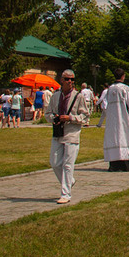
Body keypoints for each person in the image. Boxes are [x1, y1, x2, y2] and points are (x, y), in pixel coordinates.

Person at [46, 70, 90, 204]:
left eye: (72, 80)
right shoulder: (55, 96)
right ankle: (69, 181)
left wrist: (70, 118)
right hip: (58, 132)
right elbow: (48, 113)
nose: (69, 82)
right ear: (61, 80)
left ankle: (65, 194)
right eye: (67, 79)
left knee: (68, 165)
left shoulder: (79, 97)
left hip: (72, 132)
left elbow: (85, 116)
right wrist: (54, 118)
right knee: (54, 162)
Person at [103, 68, 129, 172]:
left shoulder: (110, 89)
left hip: (113, 118)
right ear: (123, 76)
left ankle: (115, 163)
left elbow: (106, 101)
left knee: (116, 138)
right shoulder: (125, 88)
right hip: (123, 117)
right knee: (125, 137)